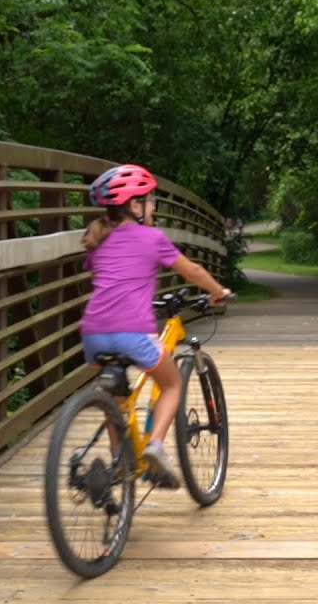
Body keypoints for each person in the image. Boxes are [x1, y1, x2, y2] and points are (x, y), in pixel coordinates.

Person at [80, 164, 233, 488]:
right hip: (131, 332)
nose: (153, 208)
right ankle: (156, 446)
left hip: (92, 334)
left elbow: (110, 281)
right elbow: (190, 270)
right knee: (172, 384)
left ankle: (120, 462)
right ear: (135, 206)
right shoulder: (152, 238)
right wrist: (217, 292)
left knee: (115, 397)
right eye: (150, 202)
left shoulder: (99, 241)